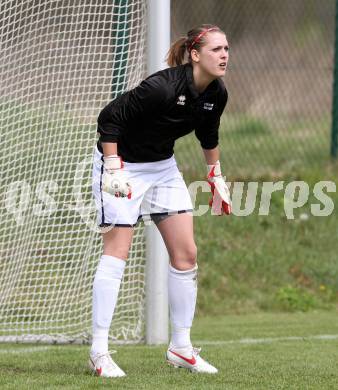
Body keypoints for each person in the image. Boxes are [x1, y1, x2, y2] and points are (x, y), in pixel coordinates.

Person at [90, 24, 231, 377]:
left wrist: (215, 175)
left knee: (186, 254)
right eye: (216, 49)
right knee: (118, 252)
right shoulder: (162, 87)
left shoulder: (217, 92)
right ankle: (99, 351)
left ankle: (181, 348)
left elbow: (208, 133)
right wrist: (113, 168)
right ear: (195, 55)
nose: (225, 55)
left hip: (162, 169)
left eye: (226, 48)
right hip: (121, 164)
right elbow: (109, 118)